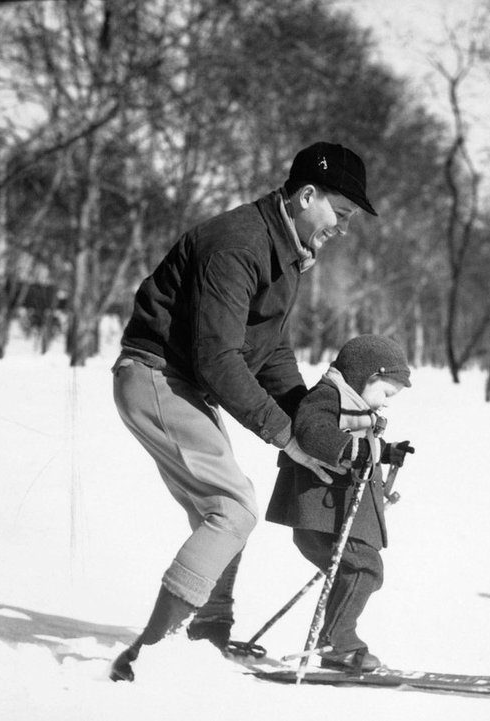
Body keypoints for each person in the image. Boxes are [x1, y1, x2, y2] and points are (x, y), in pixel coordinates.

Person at [109, 142, 378, 682]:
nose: (342, 229)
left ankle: (207, 631)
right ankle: (149, 652)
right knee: (233, 509)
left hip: (180, 382)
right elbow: (218, 358)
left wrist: (310, 423)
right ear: (307, 195)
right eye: (341, 214)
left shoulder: (284, 252)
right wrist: (285, 435)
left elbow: (269, 351)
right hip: (156, 375)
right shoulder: (238, 244)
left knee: (223, 507)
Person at [265, 334, 415, 672]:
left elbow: (358, 443)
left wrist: (384, 452)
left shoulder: (352, 402)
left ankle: (337, 642)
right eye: (386, 393)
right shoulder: (326, 396)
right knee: (362, 568)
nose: (386, 403)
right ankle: (337, 644)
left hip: (328, 515)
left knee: (357, 570)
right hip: (318, 516)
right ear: (369, 377)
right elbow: (313, 432)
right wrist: (355, 451)